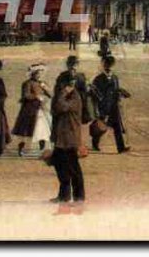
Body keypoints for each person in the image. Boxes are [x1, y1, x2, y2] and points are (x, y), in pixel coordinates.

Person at [50, 73, 85, 204]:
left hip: (70, 138)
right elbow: (54, 110)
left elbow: (61, 107)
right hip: (61, 137)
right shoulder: (64, 95)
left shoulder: (75, 96)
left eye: (62, 85)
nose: (60, 87)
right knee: (60, 167)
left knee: (73, 168)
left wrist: (63, 93)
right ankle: (64, 195)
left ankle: (79, 197)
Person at [90, 55, 131, 153]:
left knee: (117, 127)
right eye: (107, 66)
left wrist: (122, 93)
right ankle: (95, 142)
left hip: (114, 106)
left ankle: (120, 148)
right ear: (104, 66)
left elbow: (116, 89)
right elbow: (94, 94)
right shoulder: (98, 79)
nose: (109, 68)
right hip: (103, 107)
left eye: (111, 66)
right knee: (101, 127)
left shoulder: (115, 77)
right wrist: (96, 109)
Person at [12, 64, 51, 156]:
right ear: (32, 74)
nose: (39, 75)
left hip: (40, 109)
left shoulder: (42, 83)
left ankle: (41, 149)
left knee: (42, 130)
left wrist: (45, 88)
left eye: (40, 73)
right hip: (29, 110)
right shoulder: (27, 83)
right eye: (37, 73)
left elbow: (50, 95)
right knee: (25, 131)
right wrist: (36, 96)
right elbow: (25, 95)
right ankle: (21, 149)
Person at [55, 55, 94, 127]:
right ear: (68, 65)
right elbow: (58, 92)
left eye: (75, 65)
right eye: (71, 65)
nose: (73, 68)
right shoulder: (62, 77)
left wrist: (87, 88)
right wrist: (68, 89)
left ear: (77, 65)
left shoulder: (81, 76)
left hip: (78, 105)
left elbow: (84, 92)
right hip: (66, 106)